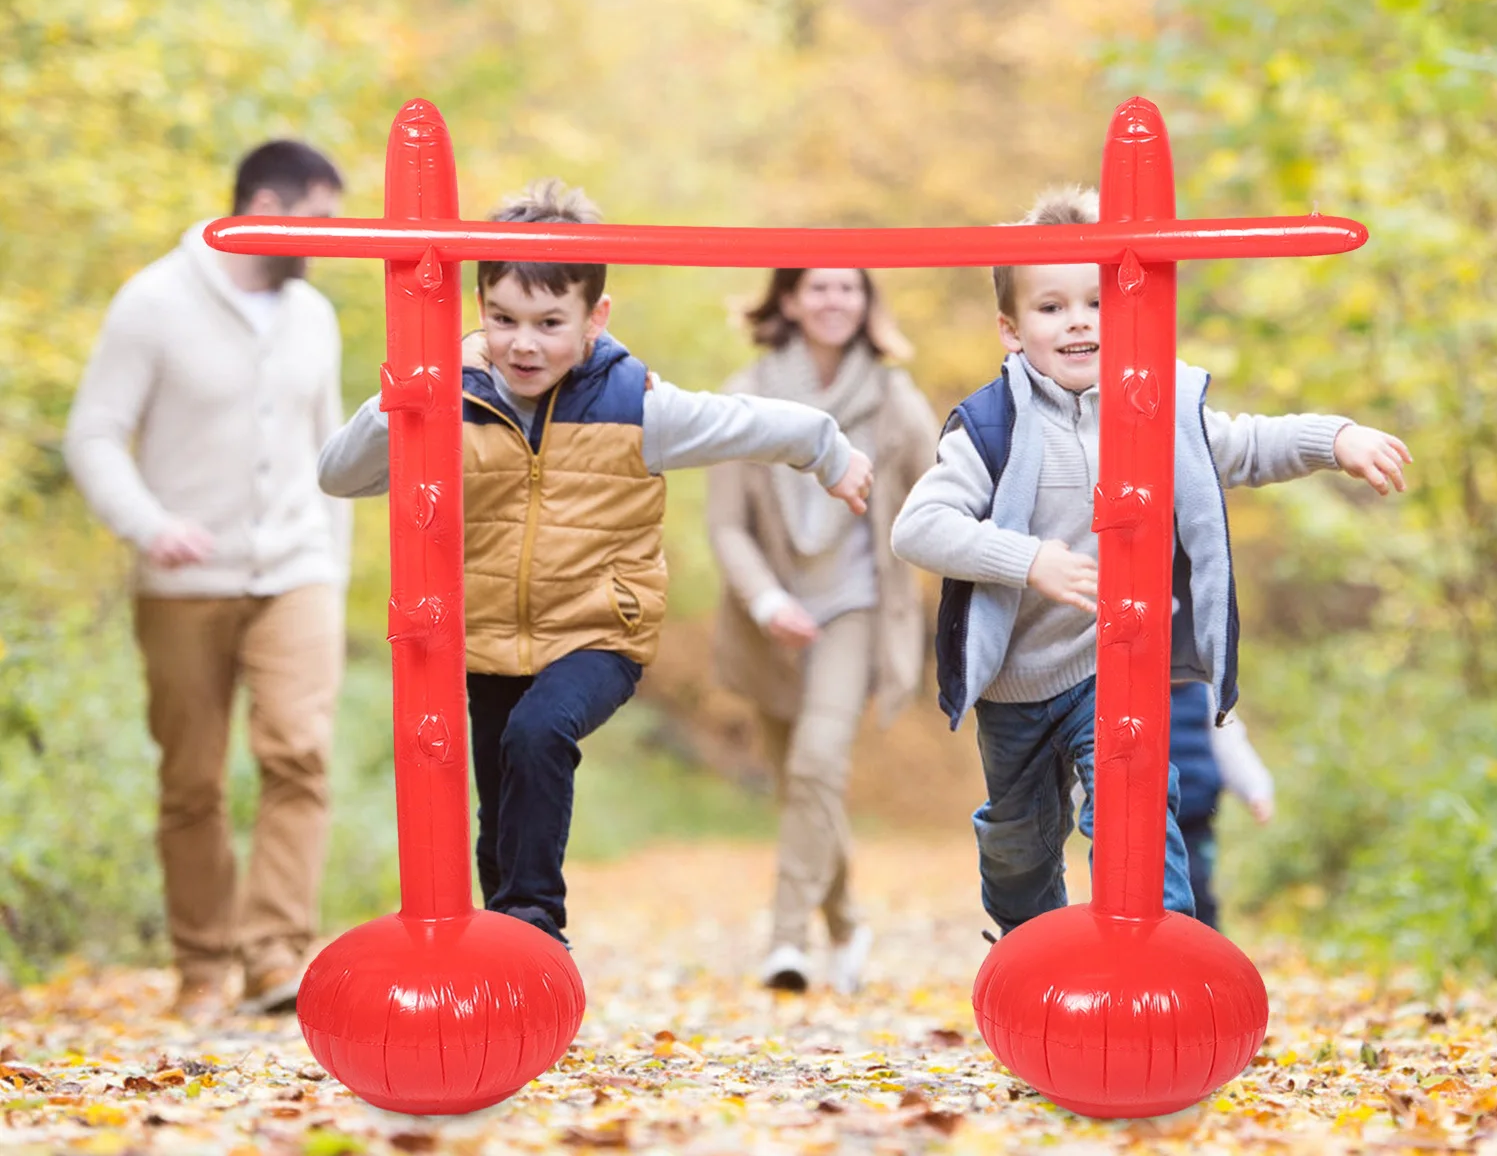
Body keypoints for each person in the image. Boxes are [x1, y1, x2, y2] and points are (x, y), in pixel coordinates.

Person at [317, 181, 874, 951]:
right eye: (504, 320)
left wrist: (829, 450)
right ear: (479, 307)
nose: (524, 344)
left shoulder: (634, 404)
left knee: (539, 736)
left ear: (593, 319)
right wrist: (407, 390)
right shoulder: (450, 396)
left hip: (596, 631)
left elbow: (747, 421)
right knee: (497, 813)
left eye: (550, 324)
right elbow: (340, 475)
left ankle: (536, 924)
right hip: (481, 637)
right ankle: (499, 954)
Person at [890, 183, 1413, 939]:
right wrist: (1029, 559)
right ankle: (1030, 952)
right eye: (1051, 307)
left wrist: (1336, 439)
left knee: (1135, 807)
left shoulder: (1157, 409)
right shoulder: (989, 426)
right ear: (1010, 328)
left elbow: (1247, 444)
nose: (1078, 321)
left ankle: (1155, 947)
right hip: (1017, 680)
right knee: (1019, 847)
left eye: (1097, 302)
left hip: (1116, 664)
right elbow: (919, 528)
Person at [63, 141, 351, 1022]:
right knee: (191, 777)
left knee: (299, 753)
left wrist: (333, 568)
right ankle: (201, 967)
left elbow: (334, 451)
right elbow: (94, 433)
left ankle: (274, 957)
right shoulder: (153, 302)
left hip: (298, 570)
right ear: (263, 206)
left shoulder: (315, 316)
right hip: (184, 581)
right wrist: (149, 524)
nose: (333, 241)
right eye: (321, 222)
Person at [707, 269, 938, 995]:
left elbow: (944, 492)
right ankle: (847, 924)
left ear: (868, 303)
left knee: (817, 764)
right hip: (770, 614)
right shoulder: (743, 395)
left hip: (856, 607)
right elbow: (724, 525)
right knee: (798, 783)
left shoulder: (894, 398)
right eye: (818, 288)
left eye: (849, 289)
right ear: (787, 300)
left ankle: (786, 942)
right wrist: (768, 599)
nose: (834, 301)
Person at [1169, 680, 1273, 931]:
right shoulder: (1135, 691)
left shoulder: (1206, 696)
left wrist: (1257, 790)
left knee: (1197, 887)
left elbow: (1232, 747)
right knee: (1156, 893)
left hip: (1194, 821)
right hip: (1147, 821)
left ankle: (1208, 951)